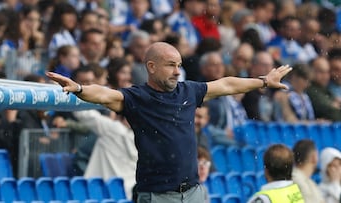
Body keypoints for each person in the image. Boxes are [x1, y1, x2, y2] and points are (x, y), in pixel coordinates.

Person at [47, 42, 291, 203]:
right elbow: (104, 94)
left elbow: (226, 84)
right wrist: (78, 88)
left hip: (194, 192)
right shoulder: (137, 98)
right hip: (157, 196)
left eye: (179, 66)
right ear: (151, 67)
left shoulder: (189, 91)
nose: (177, 71)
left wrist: (263, 81)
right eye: (171, 65)